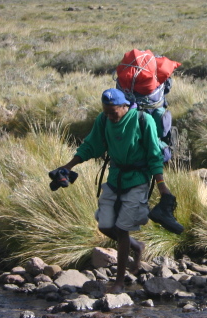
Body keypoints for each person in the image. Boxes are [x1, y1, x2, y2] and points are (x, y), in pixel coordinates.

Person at [51, 88, 179, 294]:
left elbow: (154, 155)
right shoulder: (104, 120)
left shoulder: (142, 121)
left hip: (138, 179)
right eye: (106, 111)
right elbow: (91, 146)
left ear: (124, 107)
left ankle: (119, 281)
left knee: (122, 229)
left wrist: (162, 186)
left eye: (113, 112)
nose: (110, 116)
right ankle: (136, 246)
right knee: (105, 225)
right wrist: (68, 166)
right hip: (115, 176)